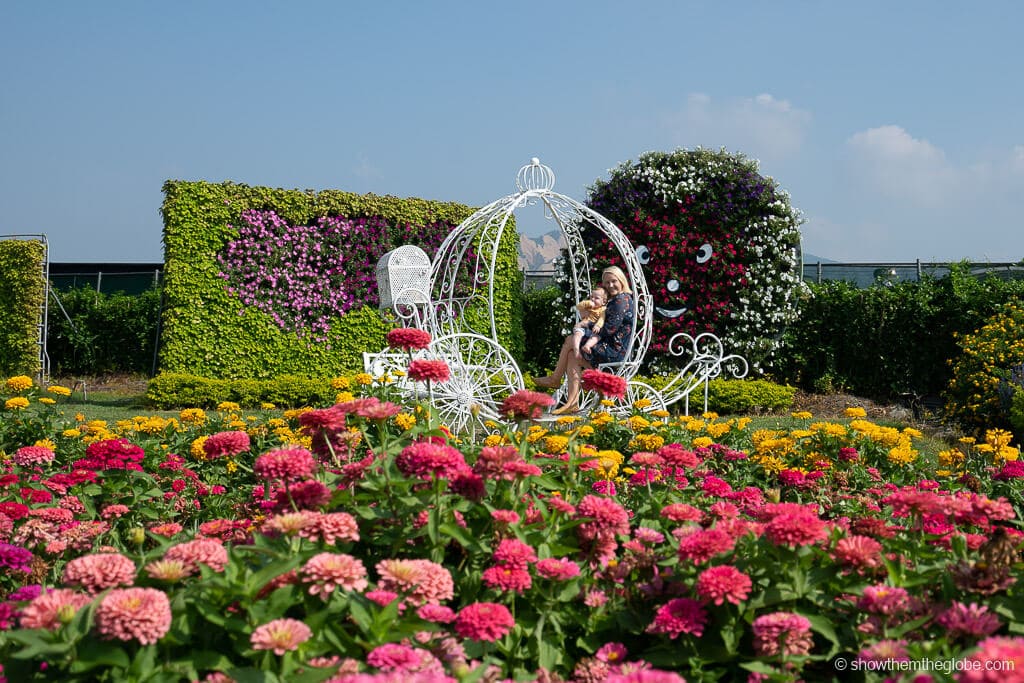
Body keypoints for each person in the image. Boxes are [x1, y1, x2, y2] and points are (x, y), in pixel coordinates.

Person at [533, 266, 635, 415]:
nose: (610, 285)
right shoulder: (619, 299)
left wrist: (587, 324)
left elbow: (609, 329)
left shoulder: (621, 300)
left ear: (621, 281)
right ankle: (571, 403)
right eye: (606, 283)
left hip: (614, 349)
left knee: (570, 339)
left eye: (614, 281)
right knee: (572, 355)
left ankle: (555, 379)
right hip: (608, 345)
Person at [571, 285, 608, 358]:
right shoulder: (588, 305)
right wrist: (587, 303)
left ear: (603, 302)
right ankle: (576, 349)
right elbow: (578, 307)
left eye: (596, 298)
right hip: (583, 326)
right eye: (591, 297)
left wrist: (598, 325)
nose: (593, 299)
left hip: (593, 329)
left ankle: (587, 346)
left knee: (596, 337)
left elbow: (602, 318)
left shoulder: (603, 309)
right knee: (577, 334)